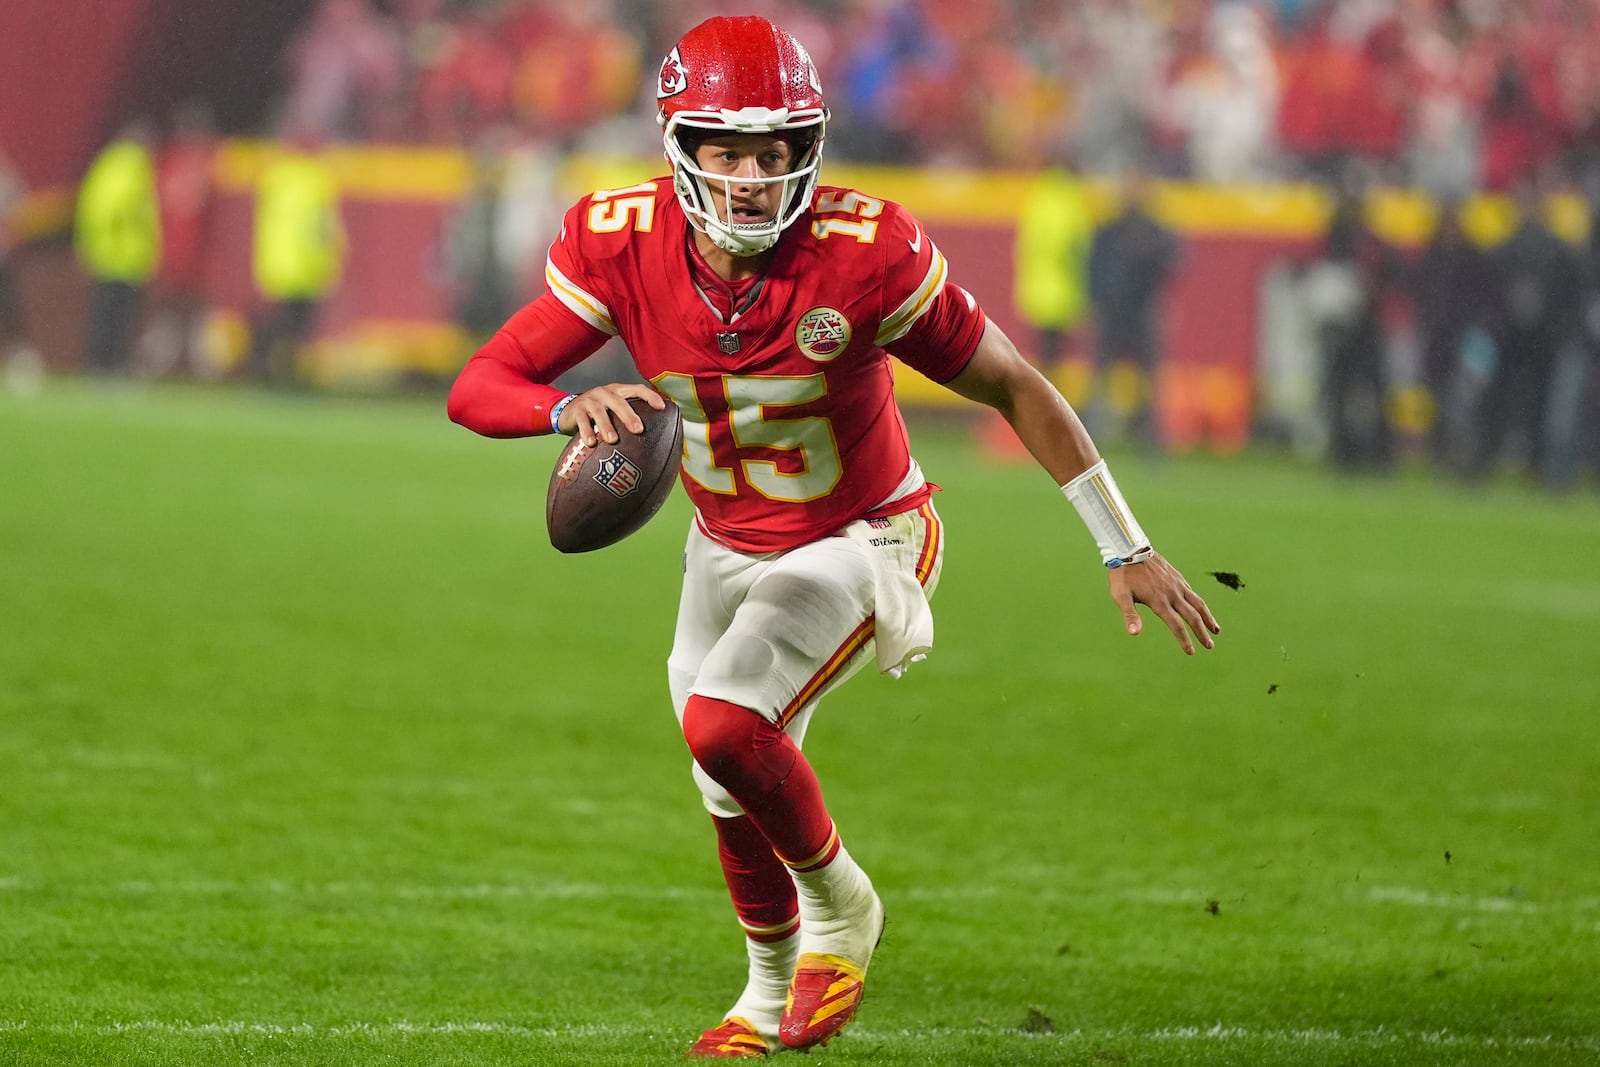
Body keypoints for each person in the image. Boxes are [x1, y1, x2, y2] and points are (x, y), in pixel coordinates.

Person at [447, 15, 1219, 1058]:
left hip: (866, 532)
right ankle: (765, 999)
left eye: (774, 151)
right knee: (722, 779)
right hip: (725, 542)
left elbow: (1010, 383)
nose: (752, 176)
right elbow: (478, 383)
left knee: (724, 721)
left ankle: (843, 908)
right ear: (679, 146)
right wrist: (562, 409)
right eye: (725, 150)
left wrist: (1123, 544)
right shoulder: (618, 237)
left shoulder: (866, 250)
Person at [1085, 168, 1180, 451]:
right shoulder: (1111, 230)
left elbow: (1173, 260)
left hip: (1141, 314)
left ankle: (1149, 441)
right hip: (1114, 314)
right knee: (1102, 379)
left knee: (1147, 383)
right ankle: (1089, 440)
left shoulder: (1153, 231)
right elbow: (1094, 268)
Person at [247, 121, 346, 384]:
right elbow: (324, 228)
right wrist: (332, 261)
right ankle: (283, 372)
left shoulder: (277, 176)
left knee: (282, 322)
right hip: (306, 265)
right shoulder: (316, 178)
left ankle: (266, 368)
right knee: (296, 325)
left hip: (279, 263)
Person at [74, 118, 162, 375]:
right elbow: (117, 210)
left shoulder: (108, 164)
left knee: (107, 315)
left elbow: (93, 207)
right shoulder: (131, 166)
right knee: (117, 317)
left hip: (111, 253)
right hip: (124, 255)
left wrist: (89, 243)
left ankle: (100, 365)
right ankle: (107, 366)